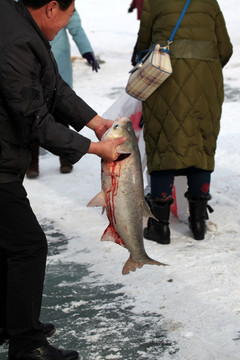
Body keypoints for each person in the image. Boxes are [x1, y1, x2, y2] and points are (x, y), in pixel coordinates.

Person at [0, 0, 126, 359]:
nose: (68, 24)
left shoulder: (16, 24)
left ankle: (10, 323)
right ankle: (27, 344)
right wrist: (93, 148)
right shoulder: (15, 41)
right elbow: (34, 119)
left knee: (8, 246)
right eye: (70, 16)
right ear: (52, 8)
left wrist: (95, 121)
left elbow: (53, 88)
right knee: (28, 245)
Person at [134, 0, 233, 244]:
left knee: (163, 146)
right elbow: (225, 49)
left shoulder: (153, 2)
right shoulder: (210, 2)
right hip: (206, 83)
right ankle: (198, 223)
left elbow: (142, 48)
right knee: (201, 145)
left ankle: (161, 226)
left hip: (165, 79)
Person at [27, 8, 100, 177]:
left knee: (61, 111)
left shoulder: (62, 4)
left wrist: (86, 50)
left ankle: (65, 159)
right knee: (32, 112)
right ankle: (32, 163)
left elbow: (74, 25)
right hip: (29, 59)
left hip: (57, 61)